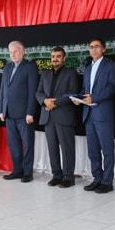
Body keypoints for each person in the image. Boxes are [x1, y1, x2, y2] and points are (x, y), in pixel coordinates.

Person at [77, 38, 115, 193]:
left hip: (103, 114)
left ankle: (107, 182)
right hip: (89, 115)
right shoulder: (88, 68)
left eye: (97, 46)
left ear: (104, 49)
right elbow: (84, 89)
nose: (93, 49)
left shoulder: (111, 66)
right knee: (92, 150)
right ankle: (97, 178)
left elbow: (112, 88)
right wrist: (78, 98)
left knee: (107, 150)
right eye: (91, 47)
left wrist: (94, 98)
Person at [35, 47, 79, 188]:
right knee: (52, 147)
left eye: (58, 56)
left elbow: (73, 93)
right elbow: (38, 92)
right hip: (48, 116)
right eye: (53, 56)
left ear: (64, 58)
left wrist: (54, 103)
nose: (55, 59)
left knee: (67, 148)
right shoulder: (45, 73)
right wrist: (44, 101)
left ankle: (68, 177)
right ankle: (57, 175)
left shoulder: (71, 73)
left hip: (63, 115)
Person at [0, 41, 39, 182]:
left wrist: (30, 112)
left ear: (23, 52)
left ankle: (27, 173)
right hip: (8, 114)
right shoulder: (7, 67)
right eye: (11, 52)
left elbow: (33, 91)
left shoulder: (30, 67)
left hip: (24, 115)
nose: (13, 54)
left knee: (27, 144)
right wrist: (1, 110)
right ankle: (17, 170)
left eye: (15, 51)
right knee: (13, 145)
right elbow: (3, 90)